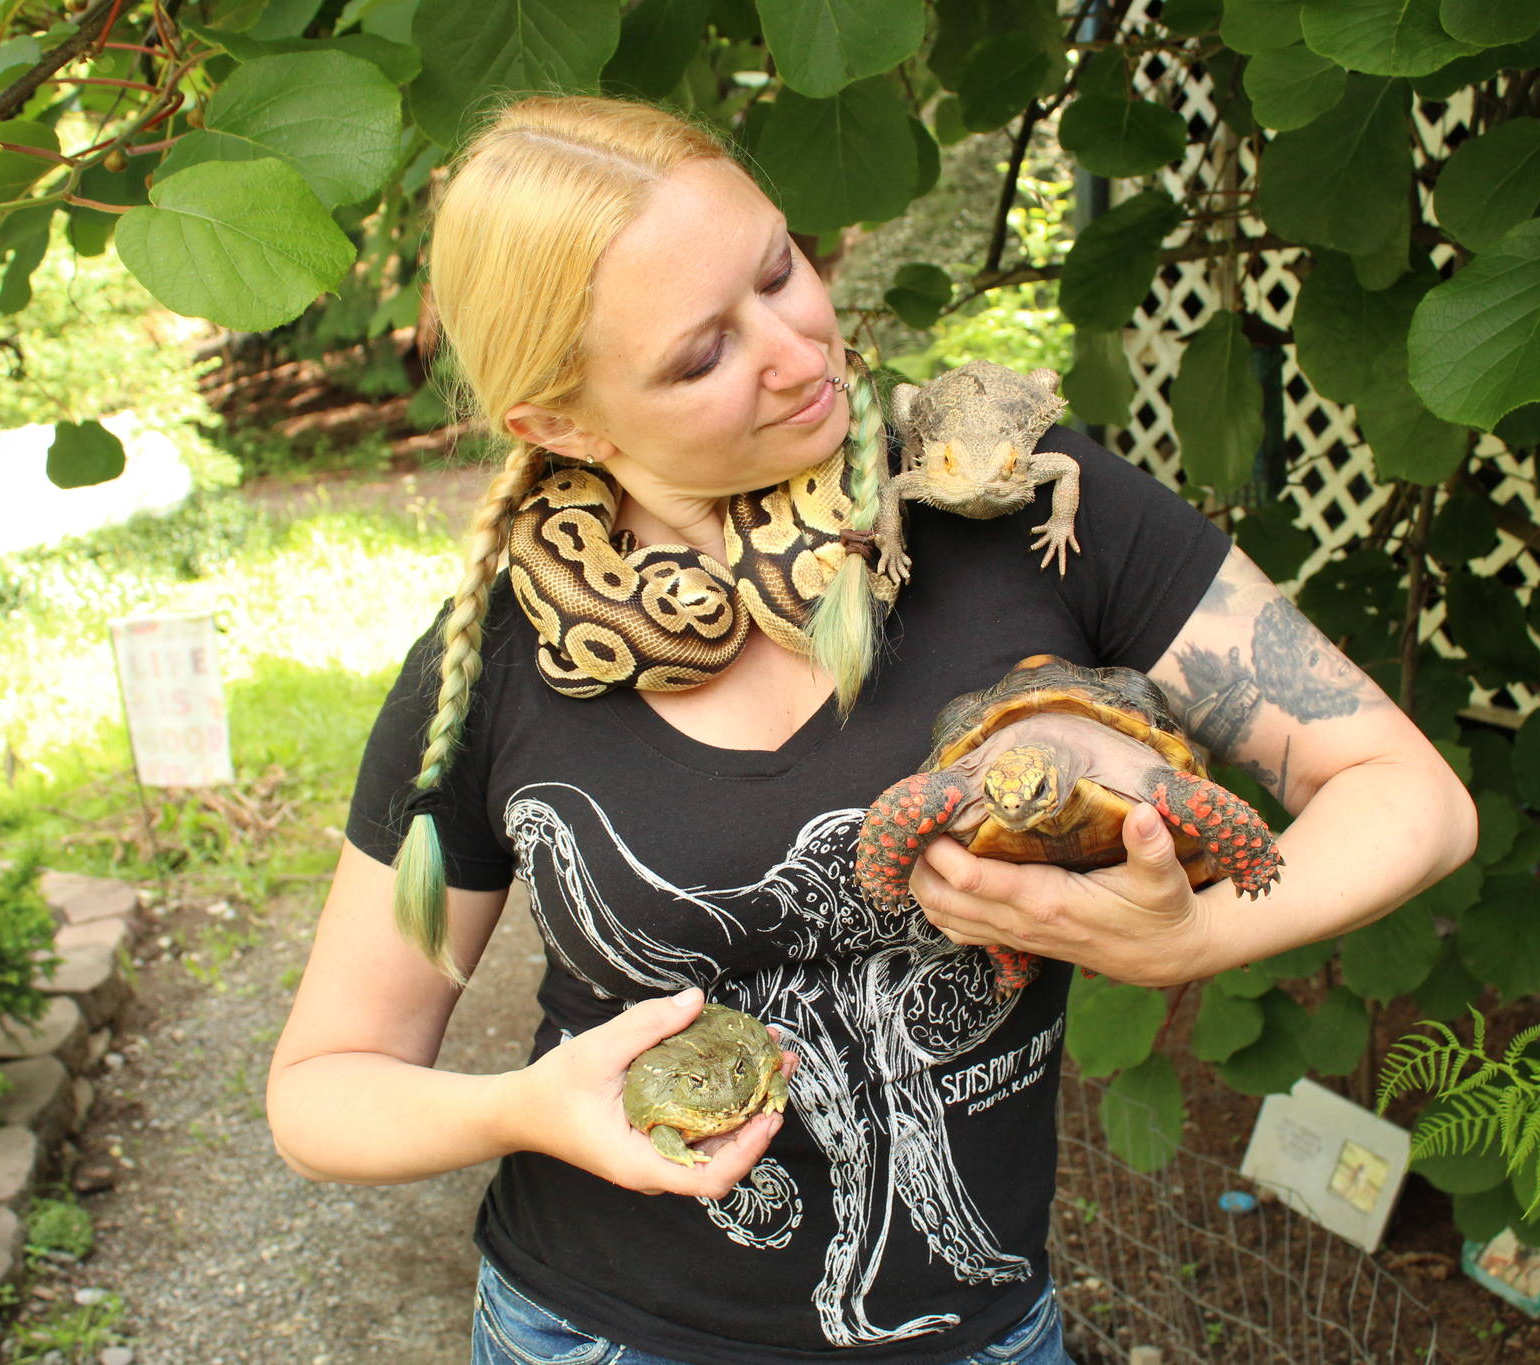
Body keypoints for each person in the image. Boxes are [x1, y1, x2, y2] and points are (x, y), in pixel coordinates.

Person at [266, 93, 1477, 1365]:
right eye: (701, 356)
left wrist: (1193, 936)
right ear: (559, 425)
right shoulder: (496, 658)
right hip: (594, 1335)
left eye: (781, 271)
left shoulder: (1002, 493)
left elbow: (1408, 792)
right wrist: (528, 1110)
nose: (799, 354)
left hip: (977, 1335)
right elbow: (324, 1089)